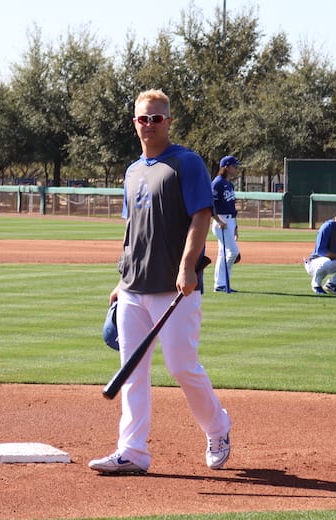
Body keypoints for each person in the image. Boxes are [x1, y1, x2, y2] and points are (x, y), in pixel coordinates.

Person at [88, 89, 231, 475]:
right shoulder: (133, 171)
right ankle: (132, 451)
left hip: (174, 287)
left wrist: (187, 267)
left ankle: (218, 428)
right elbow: (132, 229)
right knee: (132, 371)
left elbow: (201, 215)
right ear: (133, 122)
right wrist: (122, 278)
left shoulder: (186, 163)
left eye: (156, 118)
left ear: (168, 121)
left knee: (183, 367)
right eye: (142, 118)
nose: (148, 125)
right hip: (134, 287)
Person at [211, 155, 242, 293]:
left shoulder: (229, 184)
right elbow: (210, 204)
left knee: (223, 254)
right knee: (233, 252)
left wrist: (235, 226)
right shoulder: (217, 183)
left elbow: (232, 206)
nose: (236, 169)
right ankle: (223, 283)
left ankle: (221, 284)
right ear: (226, 167)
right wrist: (218, 220)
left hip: (229, 220)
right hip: (221, 221)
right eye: (234, 166)